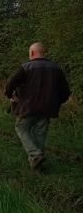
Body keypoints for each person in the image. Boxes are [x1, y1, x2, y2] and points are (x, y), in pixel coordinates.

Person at [4, 42, 70, 171]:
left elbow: (11, 82)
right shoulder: (56, 68)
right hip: (47, 109)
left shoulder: (26, 67)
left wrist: (9, 95)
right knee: (40, 134)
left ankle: (35, 155)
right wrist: (57, 102)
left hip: (28, 107)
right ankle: (37, 164)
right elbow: (65, 92)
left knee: (21, 128)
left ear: (32, 53)